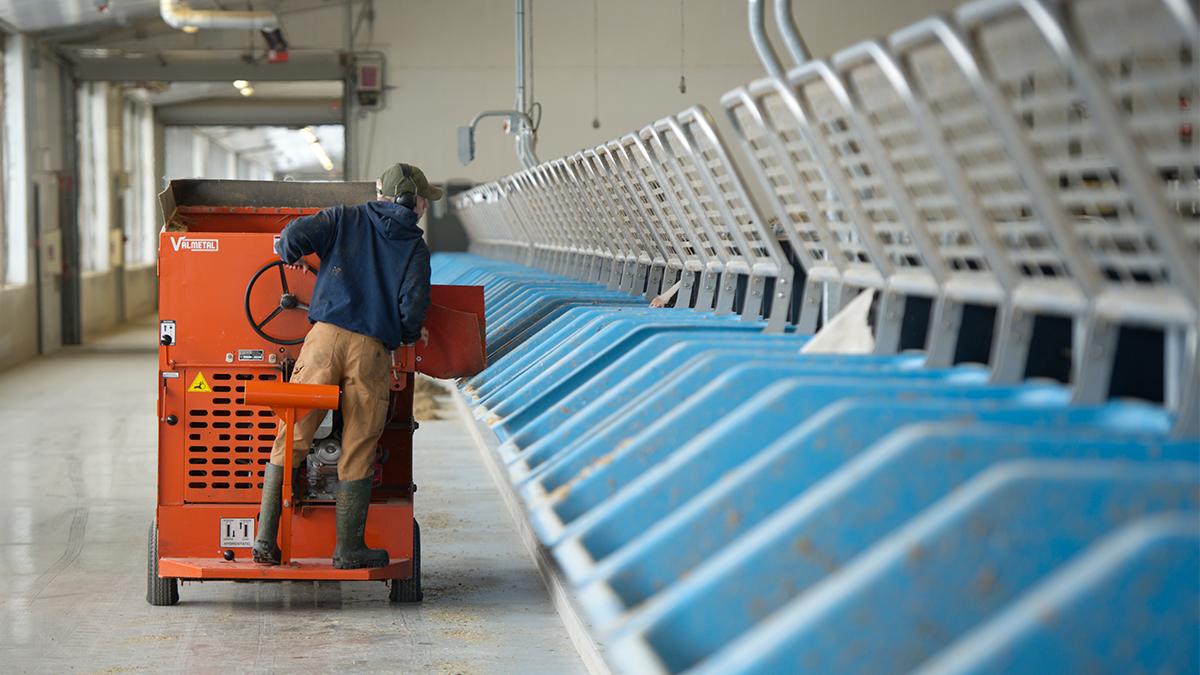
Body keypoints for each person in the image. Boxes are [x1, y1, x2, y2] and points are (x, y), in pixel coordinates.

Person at [252, 163, 440, 569]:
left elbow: (291, 239)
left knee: (296, 429)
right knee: (359, 442)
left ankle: (265, 538)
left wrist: (293, 256)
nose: (425, 208)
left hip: (323, 340)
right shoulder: (415, 247)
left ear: (379, 192)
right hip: (370, 350)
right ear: (415, 202)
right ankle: (348, 549)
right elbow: (412, 305)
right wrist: (409, 333)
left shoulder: (344, 217)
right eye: (426, 201)